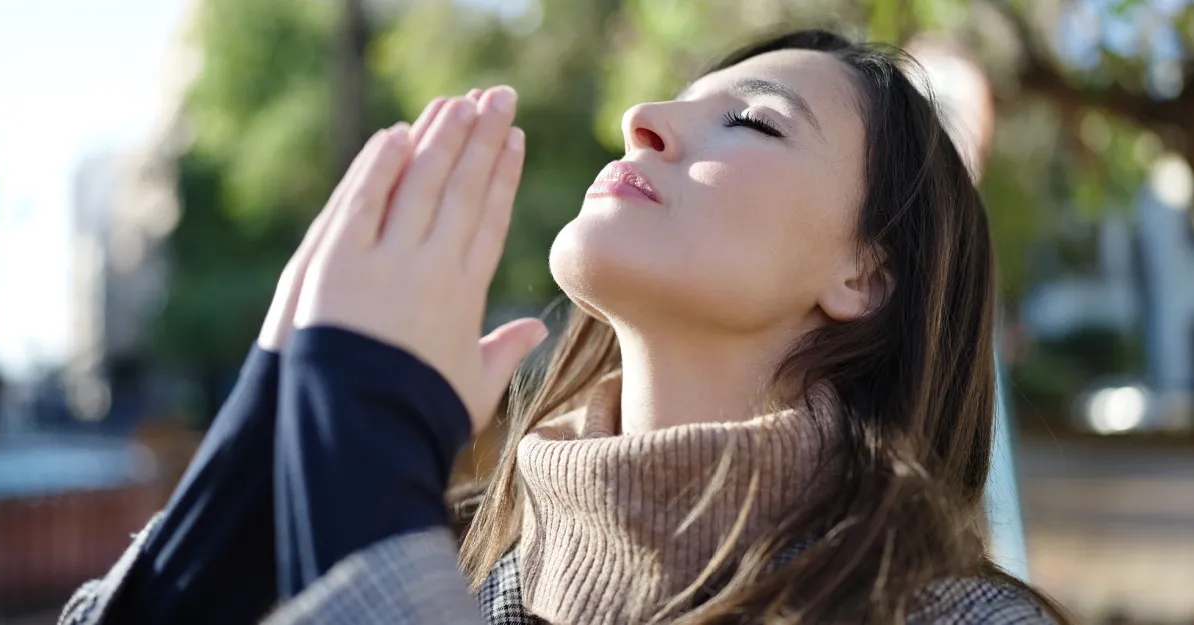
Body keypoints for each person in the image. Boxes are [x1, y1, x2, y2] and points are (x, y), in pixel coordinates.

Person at [61, 29, 1069, 624]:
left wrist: (362, 482)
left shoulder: (959, 619)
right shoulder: (460, 561)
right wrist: (250, 461)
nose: (642, 117)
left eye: (752, 121)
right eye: (673, 100)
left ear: (866, 273)